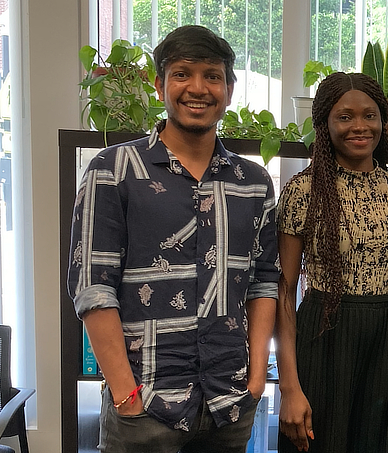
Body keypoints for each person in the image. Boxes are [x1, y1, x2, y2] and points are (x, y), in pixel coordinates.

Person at [67, 25, 279, 453]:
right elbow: (93, 287)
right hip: (145, 409)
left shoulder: (253, 182)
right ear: (160, 84)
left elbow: (263, 282)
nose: (197, 88)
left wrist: (256, 379)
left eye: (212, 76)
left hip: (229, 405)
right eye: (182, 74)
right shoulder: (113, 170)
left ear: (229, 89)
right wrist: (127, 395)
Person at [275, 72, 388, 453]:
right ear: (324, 123)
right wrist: (289, 387)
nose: (359, 126)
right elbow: (285, 290)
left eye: (370, 115)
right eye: (344, 116)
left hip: (382, 341)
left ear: (383, 121)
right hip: (322, 338)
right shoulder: (302, 190)